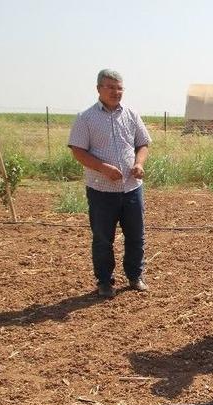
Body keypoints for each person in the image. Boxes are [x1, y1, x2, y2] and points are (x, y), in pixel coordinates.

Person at [68, 69, 152, 298]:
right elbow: (78, 151)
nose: (116, 92)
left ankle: (135, 276)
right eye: (110, 87)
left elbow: (142, 144)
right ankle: (104, 281)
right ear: (98, 89)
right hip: (101, 190)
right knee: (103, 238)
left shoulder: (131, 114)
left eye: (119, 88)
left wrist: (139, 163)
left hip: (131, 188)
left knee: (136, 235)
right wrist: (103, 168)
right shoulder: (86, 118)